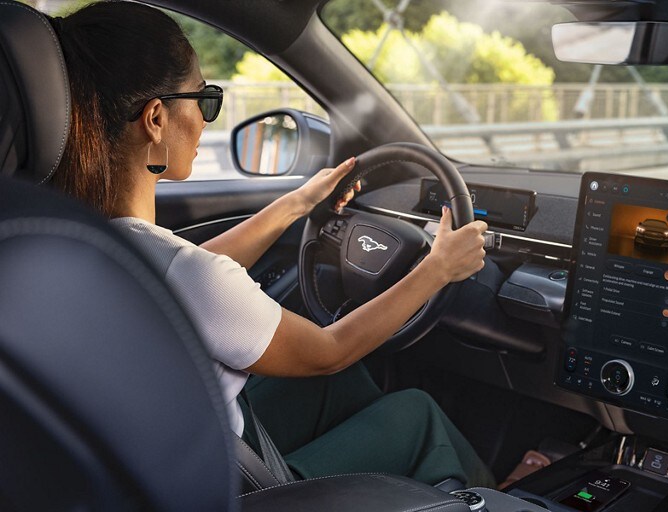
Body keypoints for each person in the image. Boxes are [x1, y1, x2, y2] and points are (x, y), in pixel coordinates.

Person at [47, 1, 496, 488]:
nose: (205, 119)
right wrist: (438, 267)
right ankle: (501, 493)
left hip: (165, 469)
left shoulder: (64, 240)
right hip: (240, 490)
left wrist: (297, 204)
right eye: (205, 98)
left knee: (340, 386)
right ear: (155, 119)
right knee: (416, 412)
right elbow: (330, 349)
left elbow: (189, 279)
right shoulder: (186, 273)